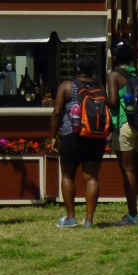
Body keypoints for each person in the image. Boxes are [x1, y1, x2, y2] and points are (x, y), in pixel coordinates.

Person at [48, 55, 107, 227]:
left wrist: (53, 135)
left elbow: (57, 112)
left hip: (71, 135)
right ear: (93, 70)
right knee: (92, 178)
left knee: (67, 175)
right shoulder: (100, 87)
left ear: (76, 69)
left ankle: (71, 217)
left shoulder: (67, 86)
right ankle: (89, 220)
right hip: (96, 137)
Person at [106, 39, 138, 226]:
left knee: (128, 170)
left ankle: (133, 214)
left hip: (124, 124)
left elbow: (114, 101)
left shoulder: (114, 75)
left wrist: (103, 100)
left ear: (115, 57)